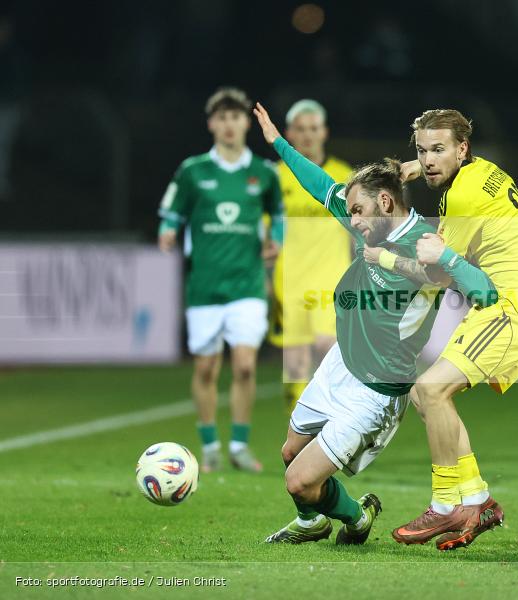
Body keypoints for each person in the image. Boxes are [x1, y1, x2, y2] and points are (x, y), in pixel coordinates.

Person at [252, 102, 498, 544]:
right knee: (290, 453)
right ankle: (314, 521)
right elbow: (319, 185)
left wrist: (441, 261)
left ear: (385, 202)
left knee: (299, 482)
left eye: (359, 210)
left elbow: (477, 288)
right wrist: (278, 143)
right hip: (339, 364)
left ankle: (352, 516)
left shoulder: (426, 242)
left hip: (376, 390)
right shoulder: (369, 222)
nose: (352, 220)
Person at [387, 109, 518, 551]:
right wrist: (414, 168)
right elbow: (438, 173)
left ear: (462, 148)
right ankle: (478, 500)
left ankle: (445, 506)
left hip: (516, 307)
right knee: (429, 398)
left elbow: (439, 275)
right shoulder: (484, 171)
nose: (428, 160)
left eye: (438, 150)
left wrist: (387, 259)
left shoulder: (461, 197)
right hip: (516, 301)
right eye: (422, 151)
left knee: (429, 390)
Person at [158, 87, 283, 473]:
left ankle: (240, 446)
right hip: (206, 287)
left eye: (236, 117)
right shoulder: (194, 170)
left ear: (246, 122)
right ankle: (210, 446)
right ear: (212, 124)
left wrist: (276, 240)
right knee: (206, 368)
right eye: (222, 118)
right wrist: (167, 230)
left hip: (246, 283)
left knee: (245, 365)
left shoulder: (262, 172)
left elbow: (277, 214)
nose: (229, 125)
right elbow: (172, 210)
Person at [268, 99, 353, 412]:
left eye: (313, 129)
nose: (307, 135)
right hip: (287, 283)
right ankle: (300, 437)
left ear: (324, 132)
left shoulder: (343, 175)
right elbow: (264, 234)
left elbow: (358, 231)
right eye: (300, 129)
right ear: (289, 133)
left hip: (331, 282)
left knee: (329, 354)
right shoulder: (275, 178)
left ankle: (333, 432)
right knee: (295, 368)